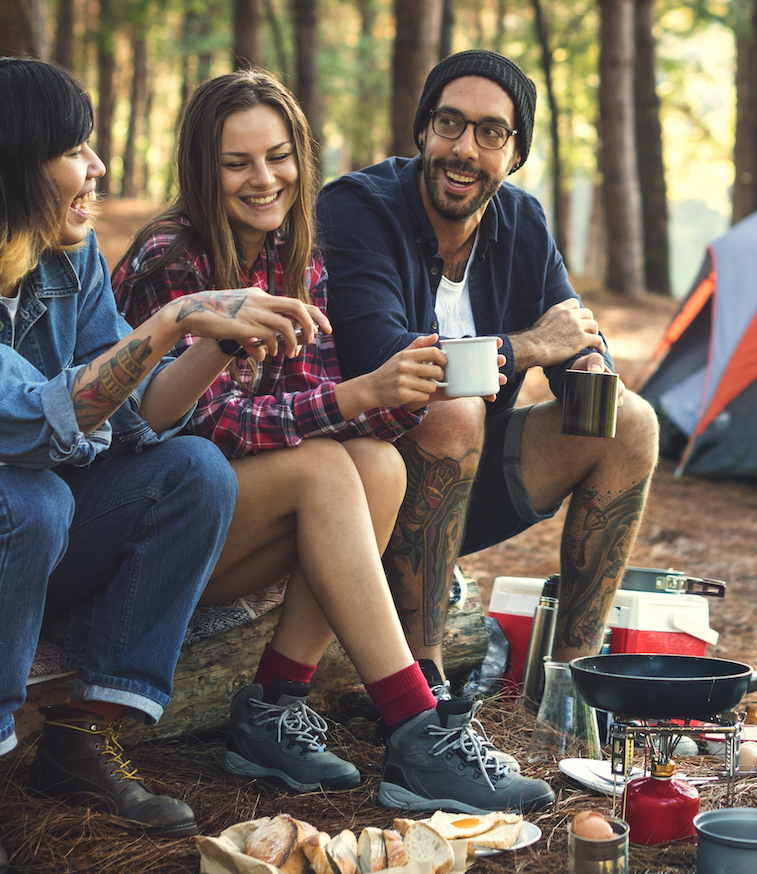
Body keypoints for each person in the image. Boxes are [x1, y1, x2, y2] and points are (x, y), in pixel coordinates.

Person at [0, 58, 333, 874]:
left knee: (194, 472)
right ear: (9, 165)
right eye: (75, 151)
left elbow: (138, 413)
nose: (97, 169)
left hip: (25, 534)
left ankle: (84, 735)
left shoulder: (64, 256)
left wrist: (215, 336)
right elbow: (30, 418)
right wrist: (172, 317)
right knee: (27, 495)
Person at [113, 71, 552, 814]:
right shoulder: (173, 257)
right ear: (200, 168)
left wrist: (391, 395)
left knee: (379, 465)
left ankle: (273, 707)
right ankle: (416, 728)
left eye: (279, 157)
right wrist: (357, 396)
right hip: (152, 529)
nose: (264, 180)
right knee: (323, 470)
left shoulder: (295, 247)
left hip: (241, 519)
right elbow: (206, 427)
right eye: (237, 163)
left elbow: (308, 398)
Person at [316, 51, 660, 705]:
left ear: (515, 152)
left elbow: (574, 334)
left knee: (630, 423)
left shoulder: (521, 221)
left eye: (491, 132)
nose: (464, 148)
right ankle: (425, 683)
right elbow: (384, 360)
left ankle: (573, 686)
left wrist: (589, 365)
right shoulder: (359, 209)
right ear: (423, 131)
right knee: (452, 406)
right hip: (357, 492)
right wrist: (531, 345)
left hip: (465, 491)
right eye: (449, 123)